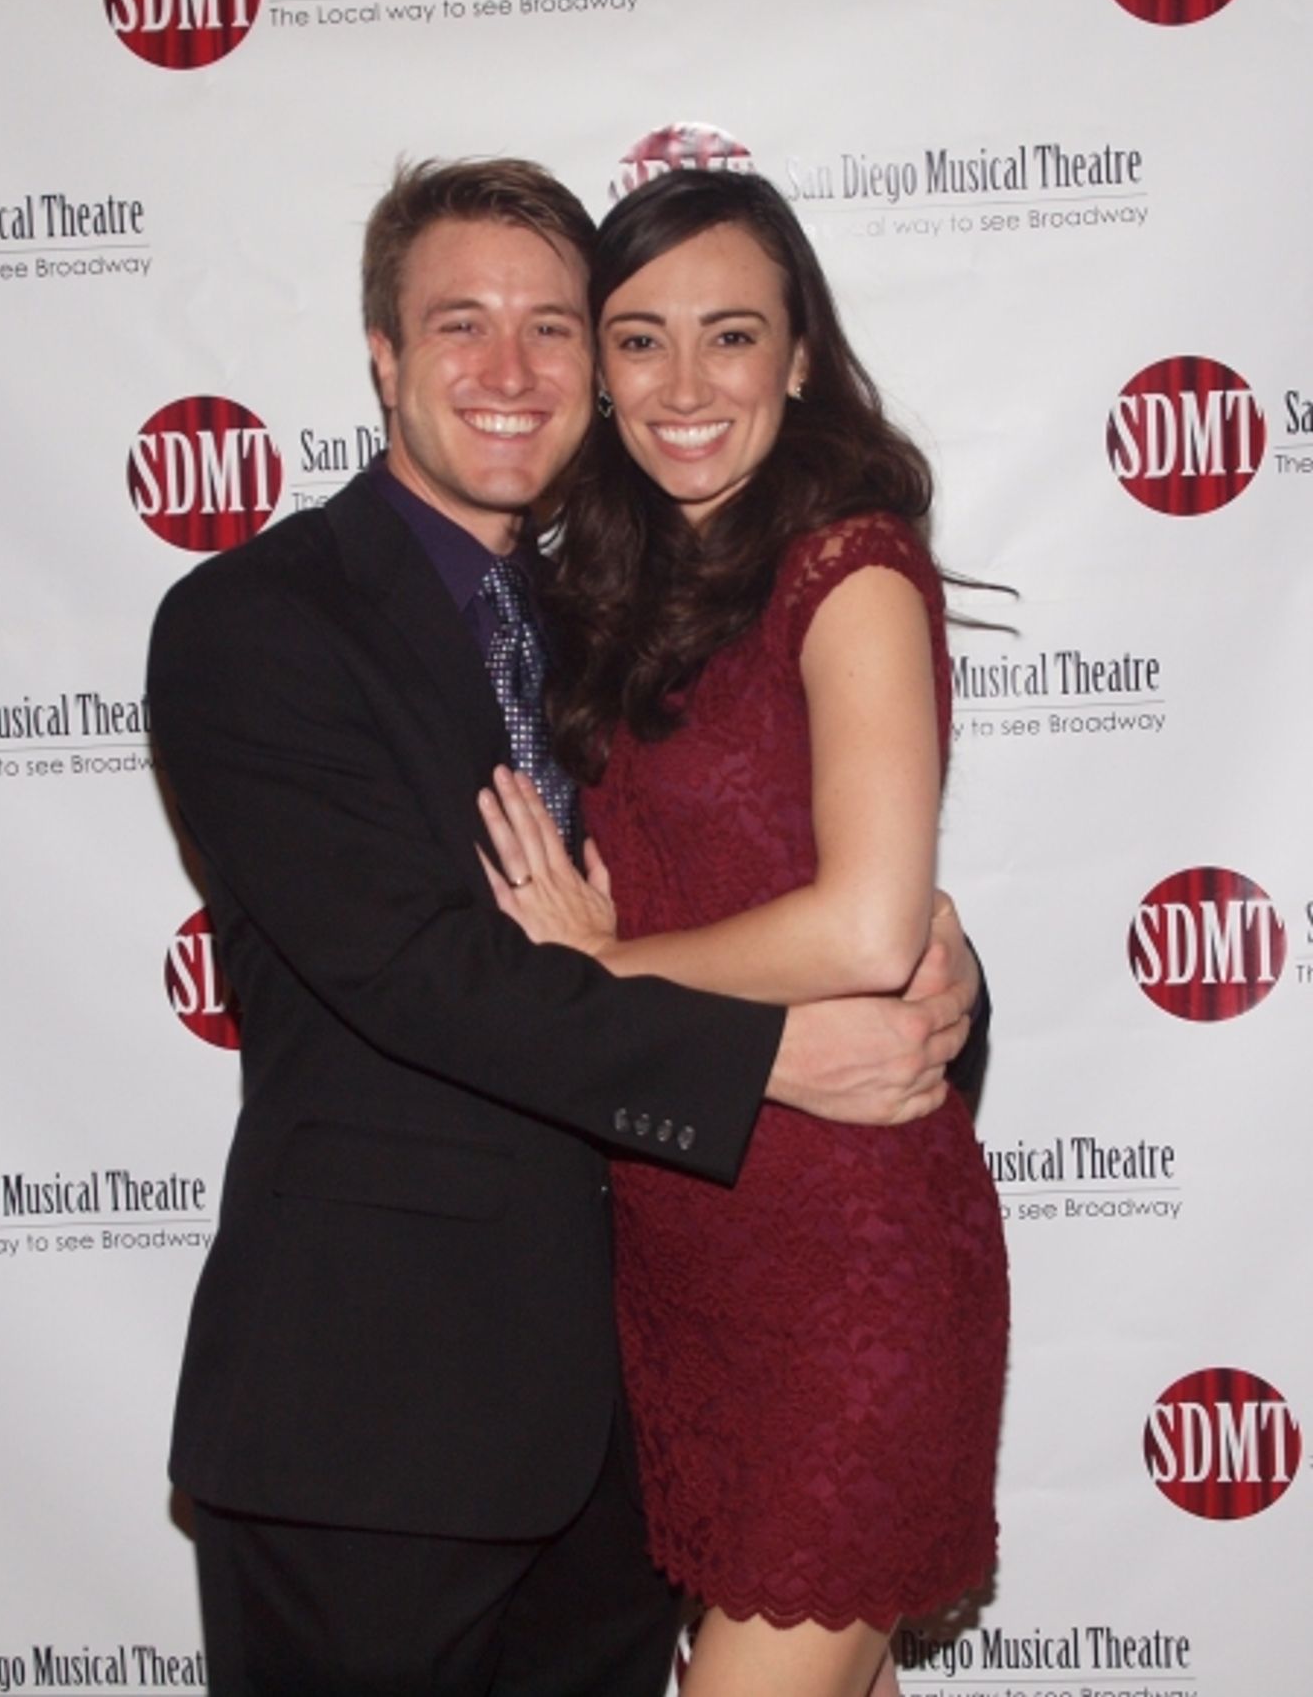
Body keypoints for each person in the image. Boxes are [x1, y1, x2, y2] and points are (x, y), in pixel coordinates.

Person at [147, 157, 985, 1697]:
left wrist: (937, 975)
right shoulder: (255, 622)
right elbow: (426, 976)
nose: (513, 368)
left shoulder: (612, 610)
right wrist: (770, 1056)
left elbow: (757, 898)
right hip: (371, 1432)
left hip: (621, 1431)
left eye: (553, 327)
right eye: (460, 323)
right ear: (383, 358)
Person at [477, 167, 1008, 1697]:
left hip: (852, 1265)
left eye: (732, 335)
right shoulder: (610, 592)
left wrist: (600, 969)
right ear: (596, 367)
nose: (685, 385)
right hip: (687, 1272)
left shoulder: (850, 568)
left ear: (799, 355)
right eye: (640, 340)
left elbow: (868, 922)